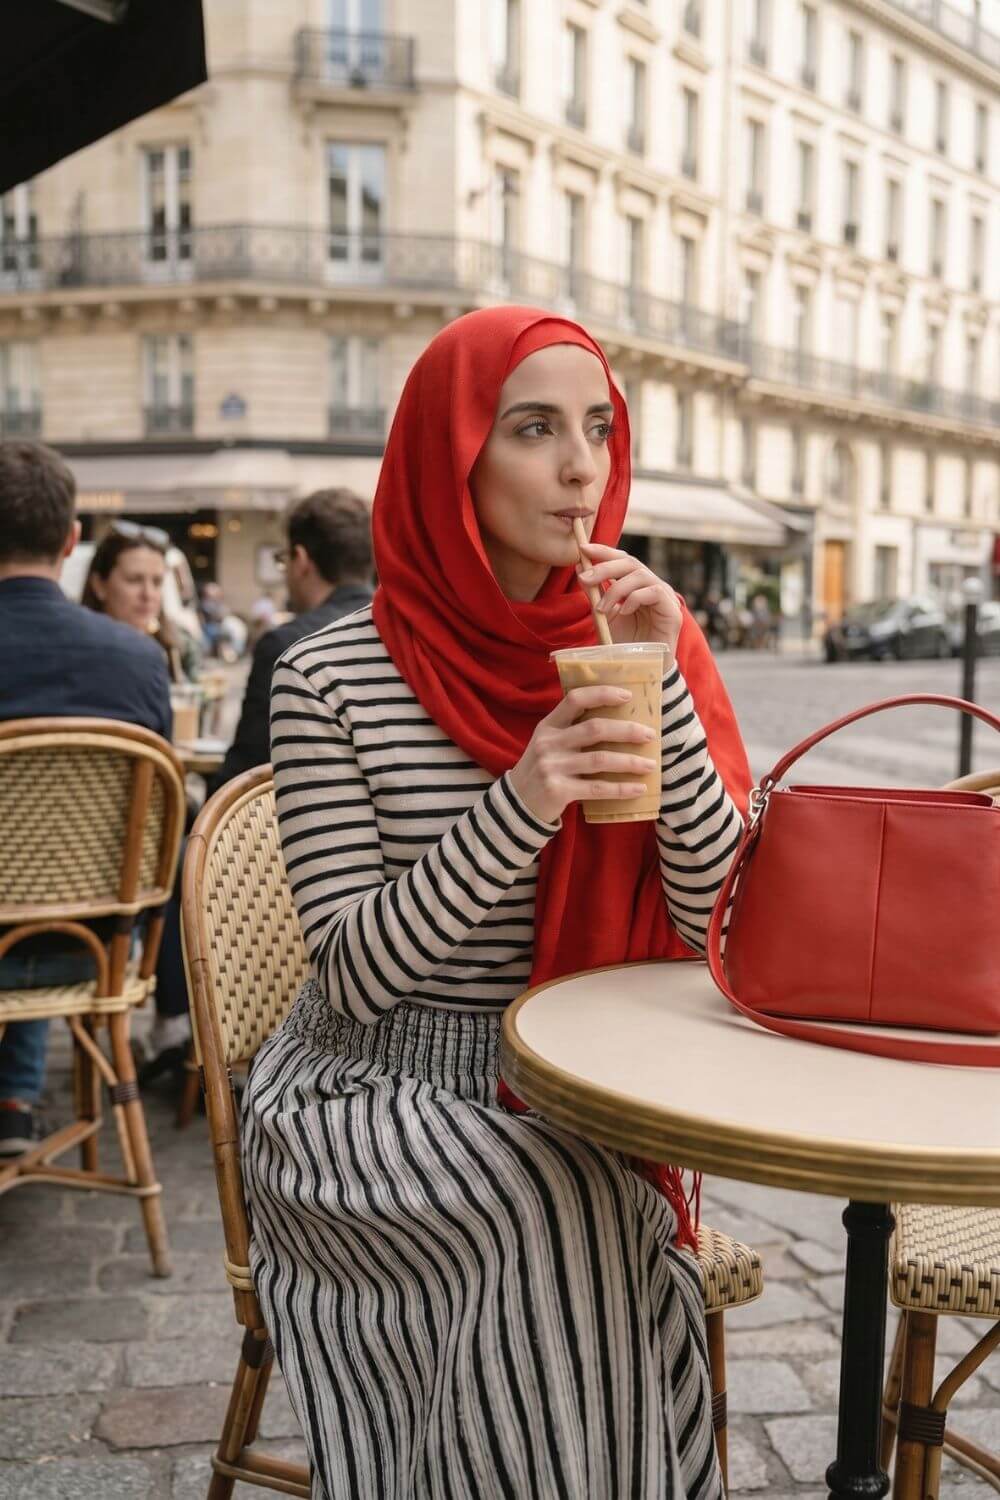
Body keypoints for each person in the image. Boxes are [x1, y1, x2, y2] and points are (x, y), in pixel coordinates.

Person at [242, 308, 751, 1499]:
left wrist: (664, 679)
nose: (582, 467)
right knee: (559, 1217)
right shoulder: (328, 675)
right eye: (533, 429)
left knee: (574, 1204)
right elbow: (354, 976)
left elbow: (720, 910)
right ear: (451, 455)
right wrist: (524, 796)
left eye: (598, 429)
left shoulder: (622, 640)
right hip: (370, 1087)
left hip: (584, 1071)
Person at [0, 441, 172, 1156]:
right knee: (40, 881)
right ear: (72, 542)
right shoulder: (139, 658)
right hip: (97, 949)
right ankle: (15, 1100)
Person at [206, 488, 372, 794]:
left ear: (301, 559)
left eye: (284, 560)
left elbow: (249, 770)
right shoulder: (406, 632)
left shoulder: (286, 646)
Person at [82, 525, 202, 682]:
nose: (148, 594)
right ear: (99, 585)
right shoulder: (79, 652)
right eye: (134, 580)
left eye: (157, 582)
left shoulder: (178, 646)